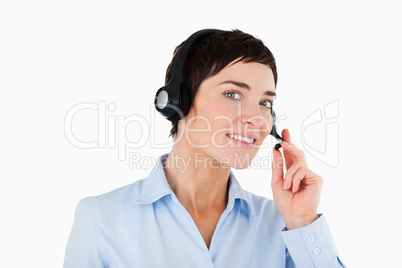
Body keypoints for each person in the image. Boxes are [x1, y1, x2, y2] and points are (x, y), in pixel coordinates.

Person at [64, 29, 346, 267]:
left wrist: (302, 221)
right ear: (177, 102)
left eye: (265, 102)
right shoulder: (102, 219)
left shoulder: (282, 226)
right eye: (233, 94)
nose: (257, 118)